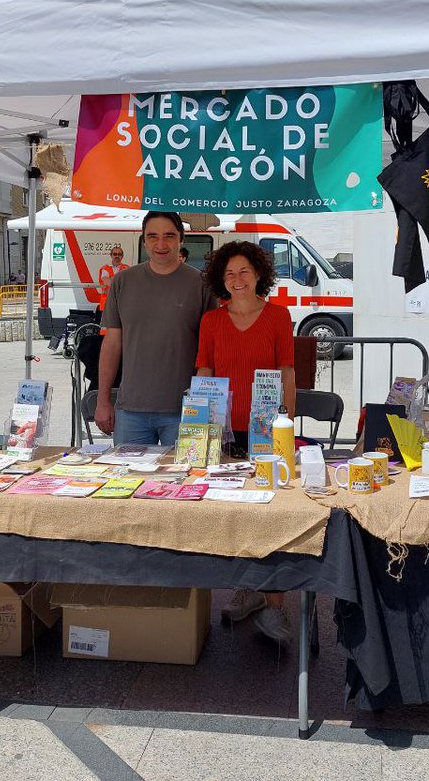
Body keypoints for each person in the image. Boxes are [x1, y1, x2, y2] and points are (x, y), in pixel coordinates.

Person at [195, 241, 296, 645]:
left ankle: (275, 605)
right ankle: (246, 590)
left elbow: (286, 368)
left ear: (259, 275)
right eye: (229, 274)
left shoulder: (278, 316)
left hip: (266, 431)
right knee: (233, 517)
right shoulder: (211, 321)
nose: (237, 280)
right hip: (223, 433)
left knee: (270, 515)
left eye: (244, 272)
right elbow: (205, 369)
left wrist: (287, 417)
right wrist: (200, 426)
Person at [95, 213, 216, 446]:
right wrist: (103, 400)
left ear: (181, 238)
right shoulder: (122, 282)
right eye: (153, 236)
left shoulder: (201, 284)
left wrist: (209, 405)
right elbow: (112, 345)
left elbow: (210, 350)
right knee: (129, 480)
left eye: (169, 236)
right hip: (131, 411)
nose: (161, 244)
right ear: (144, 240)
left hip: (186, 410)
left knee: (183, 480)